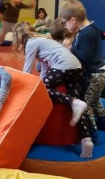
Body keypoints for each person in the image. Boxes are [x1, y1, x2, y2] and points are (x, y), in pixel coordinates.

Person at [14, 21, 92, 158]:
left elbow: (27, 70)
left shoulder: (31, 43)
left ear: (19, 37)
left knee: (45, 89)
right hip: (76, 67)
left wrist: (23, 89)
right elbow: (44, 69)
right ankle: (87, 140)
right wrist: (41, 82)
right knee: (77, 104)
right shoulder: (43, 41)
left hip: (63, 66)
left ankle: (73, 102)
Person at [59, 0, 105, 133]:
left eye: (65, 22)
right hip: (101, 72)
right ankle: (103, 123)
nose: (65, 26)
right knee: (95, 100)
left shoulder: (86, 33)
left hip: (93, 75)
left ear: (73, 19)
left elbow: (84, 57)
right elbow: (103, 35)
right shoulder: (91, 27)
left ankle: (92, 133)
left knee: (84, 104)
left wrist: (70, 48)